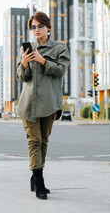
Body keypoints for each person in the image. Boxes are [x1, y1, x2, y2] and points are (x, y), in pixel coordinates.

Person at [16, 11, 70, 200]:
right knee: (34, 142)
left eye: (40, 26)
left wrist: (42, 60)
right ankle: (39, 182)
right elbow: (22, 77)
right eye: (33, 27)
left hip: (49, 103)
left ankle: (34, 176)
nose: (36, 30)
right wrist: (23, 63)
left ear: (48, 27)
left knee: (44, 142)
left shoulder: (59, 48)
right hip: (28, 103)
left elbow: (61, 70)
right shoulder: (27, 48)